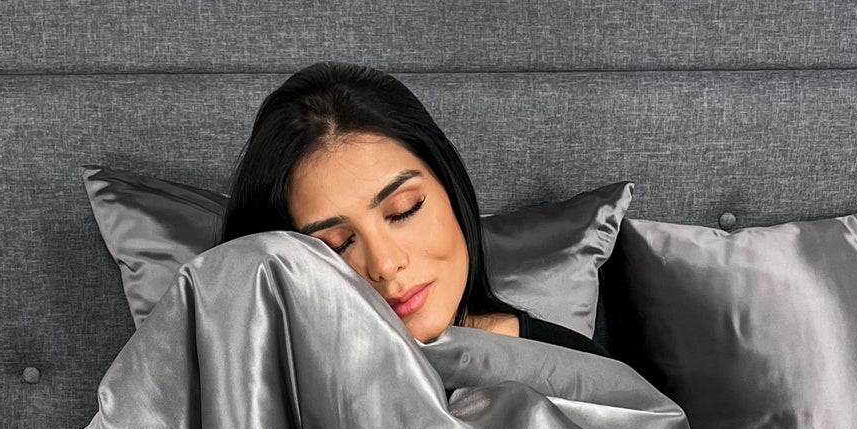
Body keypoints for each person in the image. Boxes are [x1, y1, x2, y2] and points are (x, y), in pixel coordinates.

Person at [219, 61, 604, 356]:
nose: (385, 265)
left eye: (405, 209)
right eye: (336, 245)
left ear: (449, 187)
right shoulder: (265, 401)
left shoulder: (580, 374)